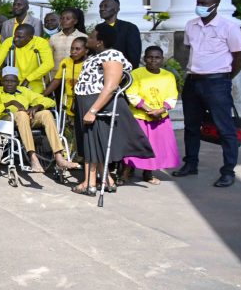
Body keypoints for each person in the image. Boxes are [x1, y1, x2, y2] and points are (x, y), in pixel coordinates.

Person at [174, 0, 241, 188]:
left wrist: (225, 78)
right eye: (198, 2)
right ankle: (190, 164)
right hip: (193, 80)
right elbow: (187, 51)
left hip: (217, 82)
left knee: (225, 128)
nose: (200, 6)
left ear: (215, 5)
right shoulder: (191, 25)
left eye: (204, 3)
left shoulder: (229, 27)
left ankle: (228, 171)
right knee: (191, 125)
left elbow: (239, 57)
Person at [71, 25, 153, 194]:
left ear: (100, 42)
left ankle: (89, 182)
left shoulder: (112, 55)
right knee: (93, 142)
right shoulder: (97, 55)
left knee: (92, 143)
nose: (89, 38)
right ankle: (106, 180)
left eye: (92, 36)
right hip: (87, 101)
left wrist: (93, 110)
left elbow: (110, 86)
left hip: (95, 102)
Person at [0, 67, 80, 174]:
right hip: (5, 121)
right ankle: (33, 158)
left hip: (24, 120)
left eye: (13, 81)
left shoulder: (24, 91)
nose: (9, 84)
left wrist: (38, 106)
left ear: (18, 82)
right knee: (22, 114)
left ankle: (59, 157)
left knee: (46, 113)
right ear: (2, 81)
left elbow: (49, 101)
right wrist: (10, 103)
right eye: (6, 81)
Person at [122, 46, 180, 185]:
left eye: (157, 57)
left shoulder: (168, 76)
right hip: (139, 116)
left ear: (162, 59)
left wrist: (160, 110)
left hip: (159, 117)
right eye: (150, 57)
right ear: (144, 59)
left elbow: (172, 96)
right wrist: (149, 110)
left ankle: (148, 173)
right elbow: (131, 94)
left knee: (154, 147)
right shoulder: (136, 74)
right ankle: (125, 173)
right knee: (134, 145)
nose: (153, 60)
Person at [0, 24, 54, 94]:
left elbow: (48, 64)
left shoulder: (41, 43)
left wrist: (28, 79)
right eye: (15, 36)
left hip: (34, 82)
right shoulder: (9, 41)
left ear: (30, 37)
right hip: (15, 82)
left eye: (20, 37)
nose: (15, 39)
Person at [43, 36, 88, 120]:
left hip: (84, 102)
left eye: (77, 49)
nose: (73, 51)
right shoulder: (66, 62)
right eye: (72, 48)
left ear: (86, 50)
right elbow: (57, 80)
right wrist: (43, 95)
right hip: (68, 101)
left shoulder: (90, 63)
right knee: (67, 130)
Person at [97, 0, 143, 71]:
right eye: (100, 6)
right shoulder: (98, 28)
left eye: (106, 6)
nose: (102, 9)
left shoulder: (129, 28)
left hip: (123, 73)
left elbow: (134, 55)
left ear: (116, 9)